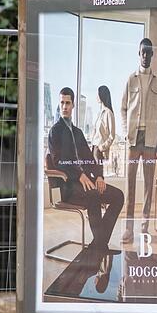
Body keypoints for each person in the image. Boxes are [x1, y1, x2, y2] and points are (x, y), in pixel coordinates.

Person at [48, 87, 124, 251]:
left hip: (87, 181)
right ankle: (100, 245)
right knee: (93, 194)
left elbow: (90, 158)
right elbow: (58, 161)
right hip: (69, 186)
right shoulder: (55, 131)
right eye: (62, 103)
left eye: (68, 103)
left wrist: (99, 176)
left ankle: (99, 243)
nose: (65, 106)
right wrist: (79, 175)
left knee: (119, 196)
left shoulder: (78, 132)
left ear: (73, 105)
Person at [120, 38, 157, 243]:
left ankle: (144, 227)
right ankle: (128, 229)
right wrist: (125, 132)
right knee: (130, 185)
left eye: (149, 53)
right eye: (143, 53)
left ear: (152, 55)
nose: (146, 56)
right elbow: (122, 109)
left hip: (150, 142)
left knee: (148, 185)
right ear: (138, 54)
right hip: (133, 140)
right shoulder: (131, 79)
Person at [91, 85, 116, 173]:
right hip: (93, 148)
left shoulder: (108, 113)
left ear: (101, 95)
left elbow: (112, 136)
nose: (96, 96)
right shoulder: (99, 113)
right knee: (94, 175)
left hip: (99, 150)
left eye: (97, 94)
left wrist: (101, 148)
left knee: (98, 176)